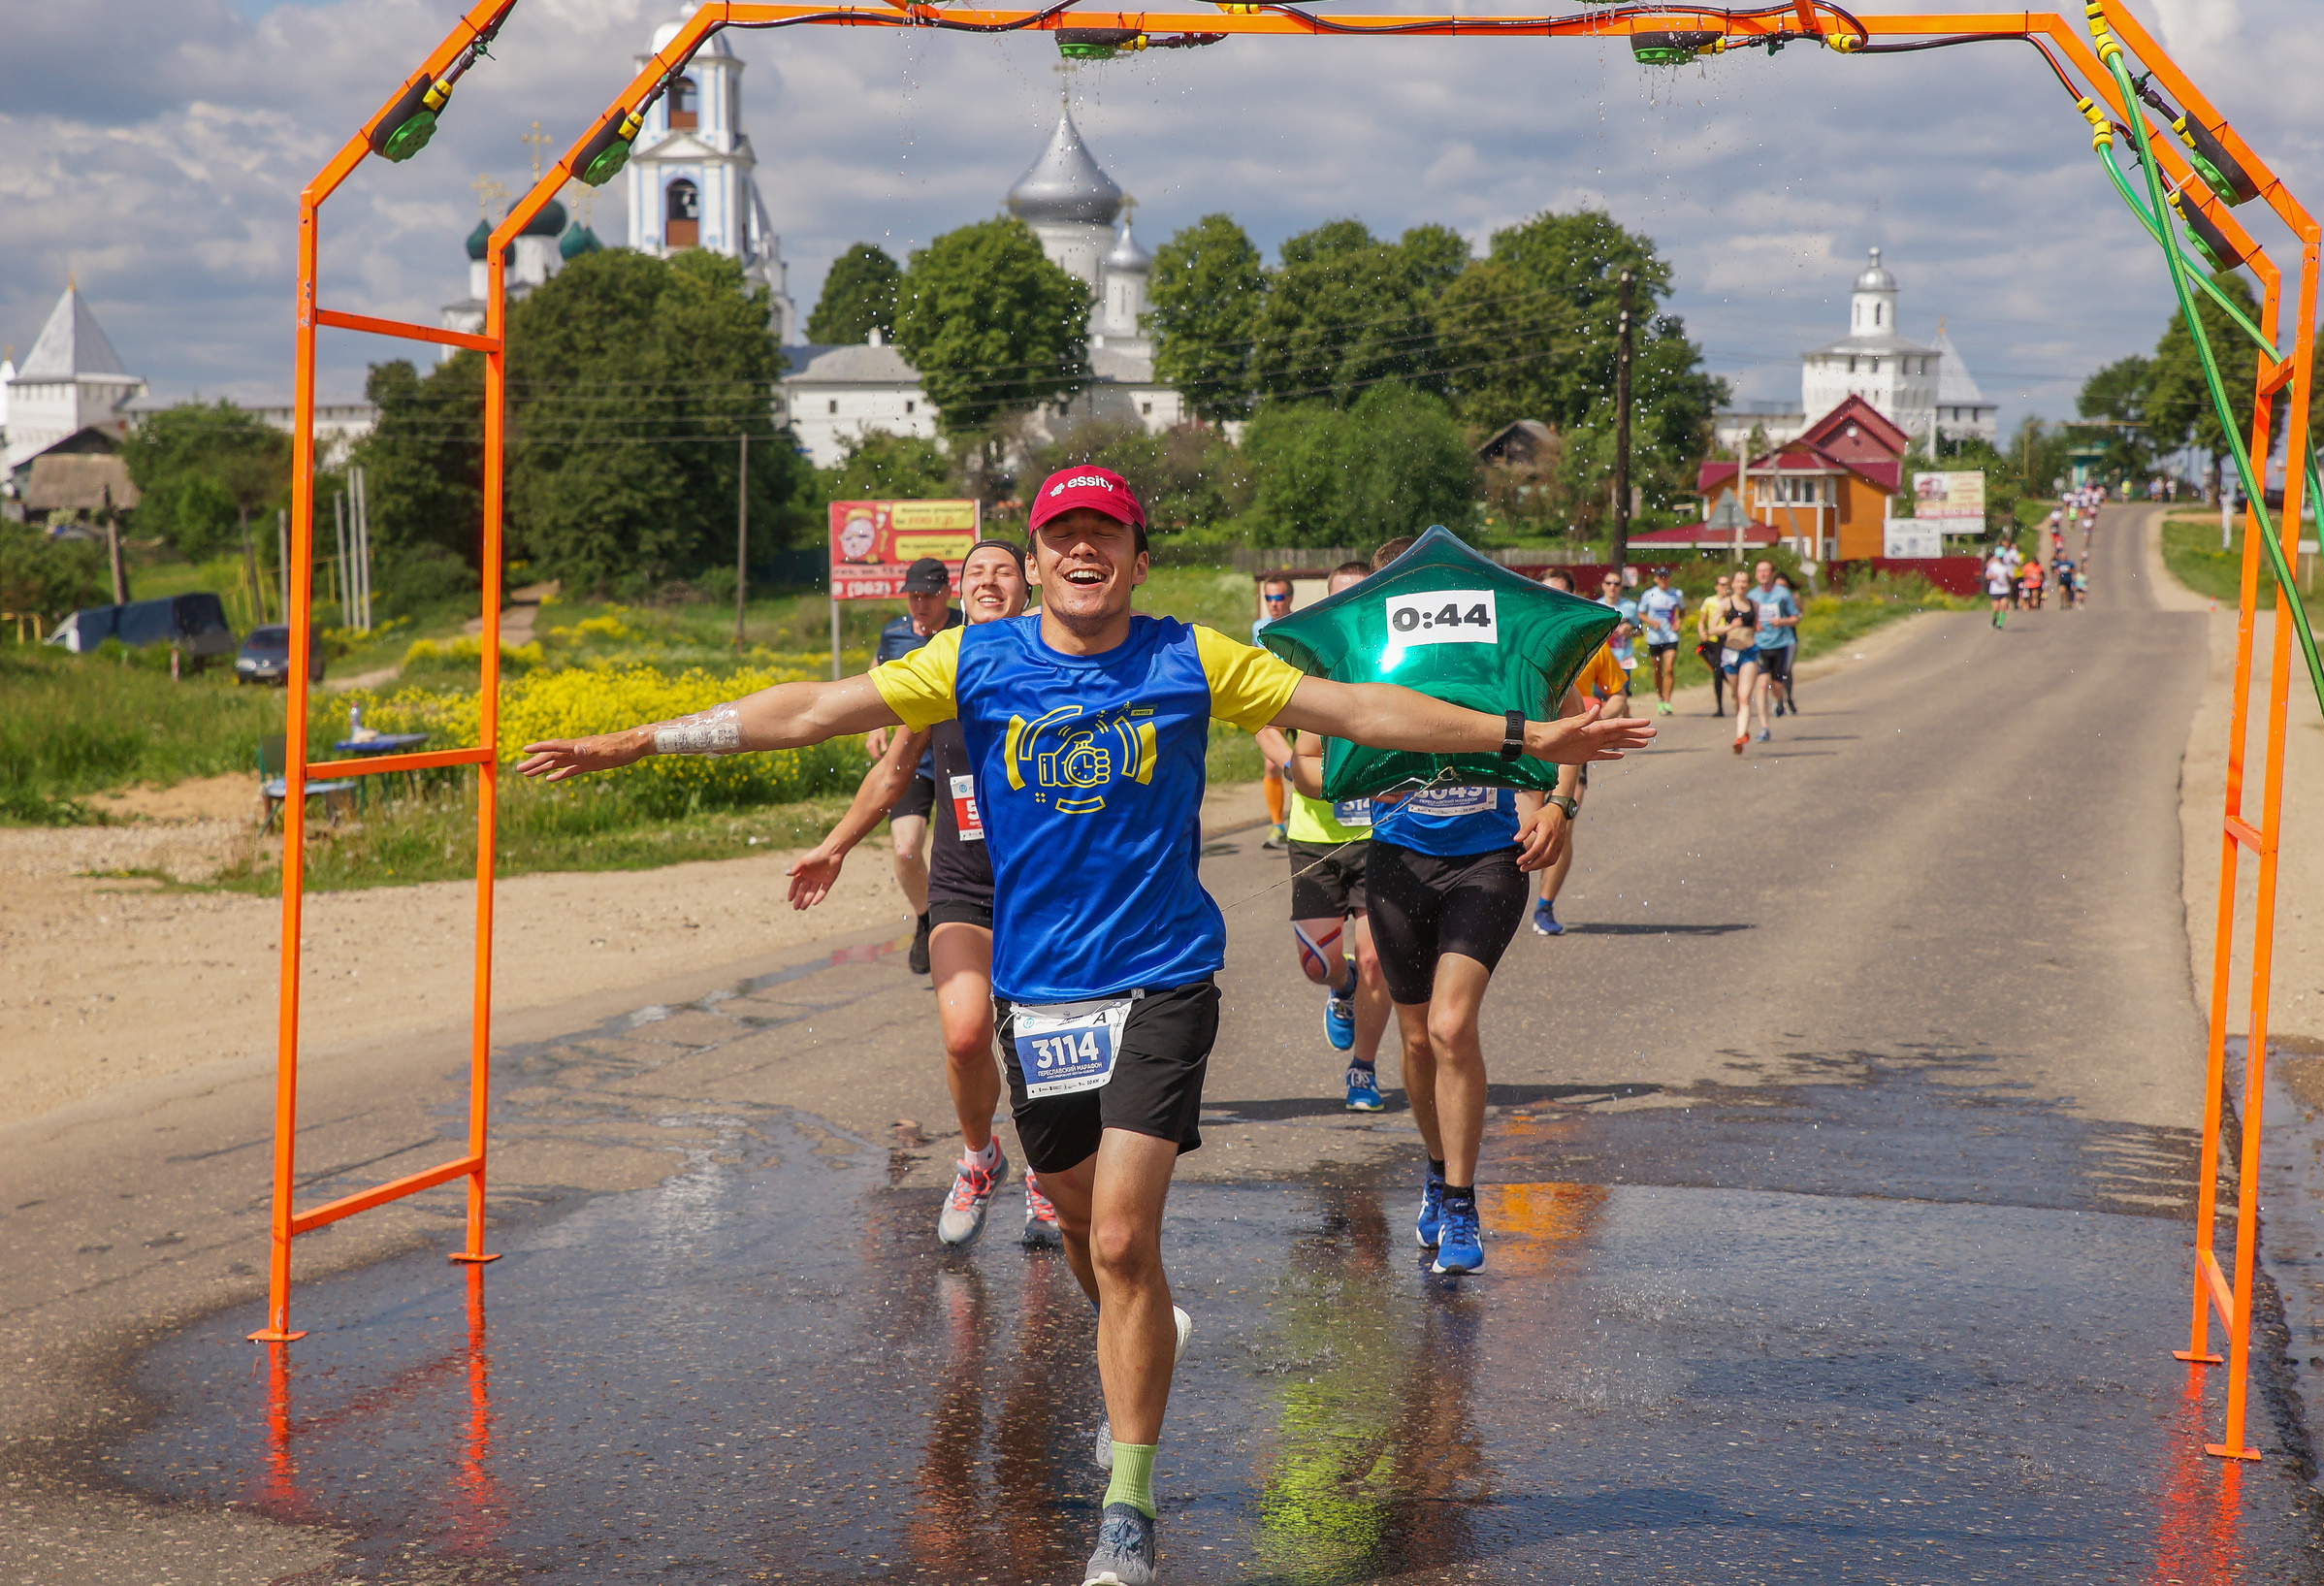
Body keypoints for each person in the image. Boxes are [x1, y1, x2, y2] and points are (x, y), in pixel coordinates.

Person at [516, 469, 1646, 1586]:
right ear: (1040, 552)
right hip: (1039, 992)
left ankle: (1129, 1505)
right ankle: (1142, 1329)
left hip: (1161, 979)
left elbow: (1351, 710)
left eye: (1105, 532)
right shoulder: (972, 658)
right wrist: (640, 743)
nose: (1081, 550)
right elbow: (814, 709)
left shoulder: (1188, 657)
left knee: (1117, 1237)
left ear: (1137, 556)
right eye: (1063, 533)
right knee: (1073, 1229)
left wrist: (1524, 736)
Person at [788, 541, 1052, 1246]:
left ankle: (1047, 1174)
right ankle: (979, 1157)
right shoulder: (945, 669)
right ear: (961, 592)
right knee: (967, 1034)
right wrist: (835, 843)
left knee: (1034, 1044)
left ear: (1029, 579)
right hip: (964, 883)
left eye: (1003, 569)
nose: (989, 581)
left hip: (1047, 889)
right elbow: (893, 772)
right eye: (976, 573)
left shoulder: (1060, 660)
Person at [1359, 541, 1594, 1279]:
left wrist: (1558, 803)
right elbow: (1316, 751)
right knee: (1418, 1041)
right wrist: (1351, 776)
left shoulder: (1494, 651)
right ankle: (1436, 1166)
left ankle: (1461, 1197)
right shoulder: (1373, 653)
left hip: (1489, 858)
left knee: (1452, 1025)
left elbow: (1568, 716)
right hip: (1398, 860)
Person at [1253, 560, 1397, 1114]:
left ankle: (1363, 1069)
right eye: (1339, 600)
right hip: (1313, 837)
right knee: (1317, 966)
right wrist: (1297, 771)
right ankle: (1342, 987)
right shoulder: (1299, 660)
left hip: (1379, 836)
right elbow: (1263, 725)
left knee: (1380, 962)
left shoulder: (1392, 662)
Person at [870, 559, 965, 974]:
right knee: (907, 849)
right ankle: (928, 919)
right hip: (912, 763)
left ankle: (974, 928)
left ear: (947, 592)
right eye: (913, 595)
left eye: (928, 595)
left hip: (963, 764)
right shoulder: (893, 634)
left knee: (970, 856)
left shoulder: (968, 627)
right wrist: (874, 728)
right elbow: (876, 678)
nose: (920, 603)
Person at [1532, 569, 1627, 937]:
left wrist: (1596, 718)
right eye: (1543, 593)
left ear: (1572, 601)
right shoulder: (1517, 644)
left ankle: (1544, 906)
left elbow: (1618, 694)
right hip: (1523, 747)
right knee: (1520, 833)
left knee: (1561, 825)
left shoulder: (1591, 648)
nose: (1550, 601)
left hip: (1570, 750)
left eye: (1559, 595)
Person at [1251, 576, 1296, 849]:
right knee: (1272, 765)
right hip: (1274, 701)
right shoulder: (1259, 627)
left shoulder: (1299, 621)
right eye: (1268, 598)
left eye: (1278, 598)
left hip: (1302, 699)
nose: (1273, 604)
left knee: (1311, 758)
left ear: (1289, 598)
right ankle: (1277, 825)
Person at [1717, 568, 1765, 755]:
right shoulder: (1725, 604)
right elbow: (1712, 629)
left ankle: (1740, 736)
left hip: (1749, 652)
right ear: (1733, 584)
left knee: (1744, 696)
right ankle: (1742, 727)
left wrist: (1757, 627)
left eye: (1745, 581)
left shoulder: (1754, 605)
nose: (1742, 585)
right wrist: (1730, 626)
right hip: (1730, 652)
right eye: (1738, 581)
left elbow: (1756, 625)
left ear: (1748, 584)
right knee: (1737, 695)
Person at [1752, 560, 1800, 719]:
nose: (1763, 574)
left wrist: (1782, 621)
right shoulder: (1752, 596)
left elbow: (1796, 617)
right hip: (1760, 644)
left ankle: (1782, 699)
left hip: (1783, 642)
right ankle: (1767, 719)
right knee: (1763, 682)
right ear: (1756, 574)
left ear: (1772, 574)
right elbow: (1746, 620)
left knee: (1781, 678)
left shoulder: (1782, 593)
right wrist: (1754, 625)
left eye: (1766, 571)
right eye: (1760, 571)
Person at [1637, 566, 1685, 714]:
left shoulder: (1677, 594)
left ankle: (1667, 701)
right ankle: (1659, 697)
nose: (1663, 579)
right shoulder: (1649, 594)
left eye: (1666, 576)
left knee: (1669, 668)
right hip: (1654, 637)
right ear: (1656, 578)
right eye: (1660, 577)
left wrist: (1679, 621)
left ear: (1669, 578)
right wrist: (1651, 621)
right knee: (1657, 669)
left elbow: (1682, 611)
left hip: (1670, 636)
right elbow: (1640, 613)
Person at [1594, 569, 1639, 692]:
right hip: (1601, 659)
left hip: (1622, 659)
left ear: (1621, 587)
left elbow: (1639, 631)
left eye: (1616, 584)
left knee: (1621, 695)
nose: (1612, 586)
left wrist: (1630, 632)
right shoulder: (1596, 607)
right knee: (1601, 696)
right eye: (1608, 583)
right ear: (1603, 585)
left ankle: (1625, 711)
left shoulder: (1631, 607)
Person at [1695, 573, 1733, 716]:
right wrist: (1701, 632)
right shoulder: (1709, 602)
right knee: (1717, 671)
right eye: (1722, 585)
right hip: (1713, 640)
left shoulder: (1731, 602)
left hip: (1728, 640)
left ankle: (1736, 690)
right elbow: (1702, 620)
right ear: (1716, 587)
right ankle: (1719, 706)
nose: (1724, 588)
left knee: (1727, 670)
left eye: (1727, 584)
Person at [1985, 544, 2013, 629]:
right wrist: (1992, 577)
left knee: (2003, 606)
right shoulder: (1992, 565)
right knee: (1995, 608)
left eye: (2002, 557)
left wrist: (2008, 576)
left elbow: (2012, 577)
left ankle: (2000, 624)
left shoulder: (2007, 566)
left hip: (2004, 589)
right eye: (1999, 557)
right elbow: (1987, 576)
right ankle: (1994, 619)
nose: (2001, 559)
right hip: (1995, 589)